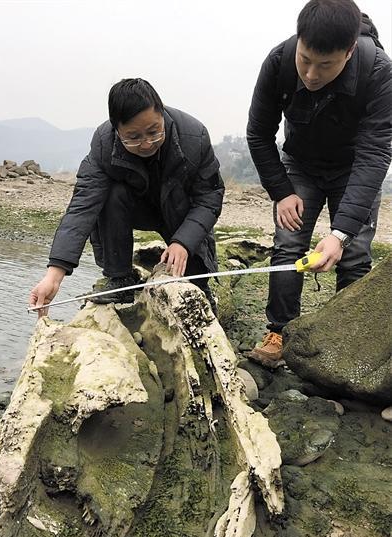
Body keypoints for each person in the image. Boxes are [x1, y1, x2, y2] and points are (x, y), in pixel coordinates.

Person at [246, 0, 392, 368]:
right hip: (301, 164)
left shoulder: (379, 74)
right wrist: (281, 192)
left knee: (355, 254)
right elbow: (259, 134)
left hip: (354, 165)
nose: (311, 74)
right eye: (305, 59)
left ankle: (347, 342)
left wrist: (340, 233)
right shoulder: (278, 61)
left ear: (349, 51)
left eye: (325, 65)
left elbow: (375, 154)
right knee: (289, 244)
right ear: (299, 41)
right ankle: (279, 330)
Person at [29, 78, 224, 316]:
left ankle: (202, 287)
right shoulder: (104, 144)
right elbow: (82, 207)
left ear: (162, 114)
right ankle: (120, 279)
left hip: (181, 209)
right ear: (116, 129)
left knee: (192, 276)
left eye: (154, 132)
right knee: (110, 194)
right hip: (136, 207)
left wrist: (183, 242)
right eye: (133, 137)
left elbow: (209, 197)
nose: (145, 144)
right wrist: (54, 275)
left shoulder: (194, 136)